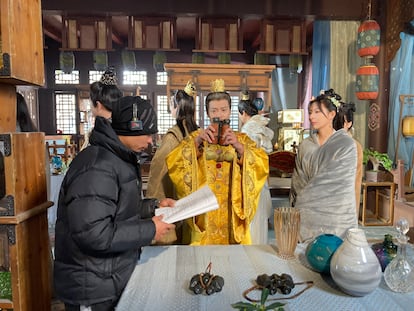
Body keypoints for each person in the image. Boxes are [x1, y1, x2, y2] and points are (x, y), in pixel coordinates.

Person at [53, 95, 176, 311]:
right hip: (91, 286)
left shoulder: (116, 158)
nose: (150, 141)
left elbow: (115, 209)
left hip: (107, 276)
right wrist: (150, 230)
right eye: (147, 133)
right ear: (130, 129)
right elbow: (94, 234)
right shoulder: (97, 167)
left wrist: (153, 207)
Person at [166, 79, 269, 245]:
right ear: (207, 113)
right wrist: (196, 144)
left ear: (230, 112)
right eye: (214, 110)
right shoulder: (196, 137)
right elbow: (174, 162)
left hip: (232, 209)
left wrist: (239, 148)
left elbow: (262, 164)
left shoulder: (242, 139)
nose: (219, 114)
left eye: (223, 109)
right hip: (204, 212)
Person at [290, 88, 358, 242]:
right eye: (310, 112)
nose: (312, 116)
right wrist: (302, 204)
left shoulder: (345, 144)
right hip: (307, 214)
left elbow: (343, 184)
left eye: (317, 112)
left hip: (337, 215)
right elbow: (298, 180)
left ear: (332, 114)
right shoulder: (306, 145)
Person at [147, 81, 198, 200]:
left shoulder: (173, 137)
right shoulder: (197, 133)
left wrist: (153, 200)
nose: (170, 109)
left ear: (177, 107)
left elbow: (159, 167)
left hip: (177, 196)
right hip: (195, 196)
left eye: (171, 104)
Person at [238, 92, 274, 244]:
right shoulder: (261, 127)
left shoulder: (248, 130)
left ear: (243, 113)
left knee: (251, 225)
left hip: (251, 181)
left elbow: (248, 159)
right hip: (262, 179)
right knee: (259, 224)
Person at [334, 101, 363, 219]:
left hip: (346, 198)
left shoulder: (355, 146)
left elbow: (355, 180)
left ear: (349, 123)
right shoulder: (329, 143)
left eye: (341, 122)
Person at [81, 68, 123, 149]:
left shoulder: (99, 132)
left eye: (90, 103)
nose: (90, 107)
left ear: (98, 105)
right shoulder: (124, 127)